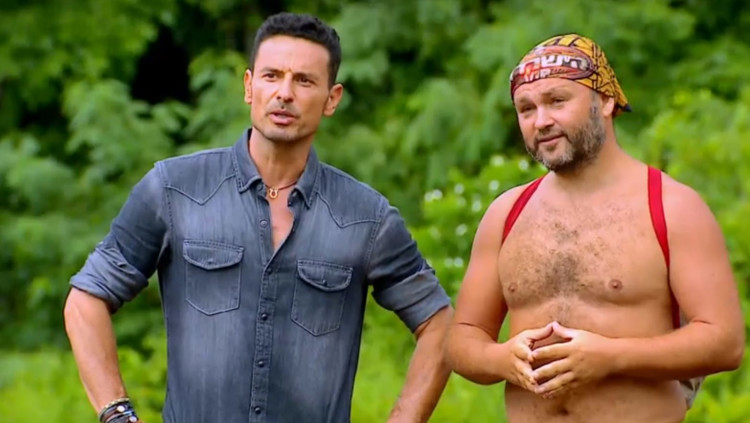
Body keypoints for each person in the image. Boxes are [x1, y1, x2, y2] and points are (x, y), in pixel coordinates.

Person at [64, 12, 453, 423]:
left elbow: (440, 323)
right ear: (249, 86)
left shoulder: (365, 217)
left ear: (332, 98)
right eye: (272, 76)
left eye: (304, 81)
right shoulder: (174, 189)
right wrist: (117, 414)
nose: (284, 93)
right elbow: (86, 299)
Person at [444, 34, 745, 423]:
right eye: (526, 109)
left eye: (557, 101)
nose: (541, 121)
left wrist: (611, 357)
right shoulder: (507, 213)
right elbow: (462, 339)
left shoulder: (672, 207)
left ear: (605, 101)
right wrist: (501, 359)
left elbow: (725, 342)